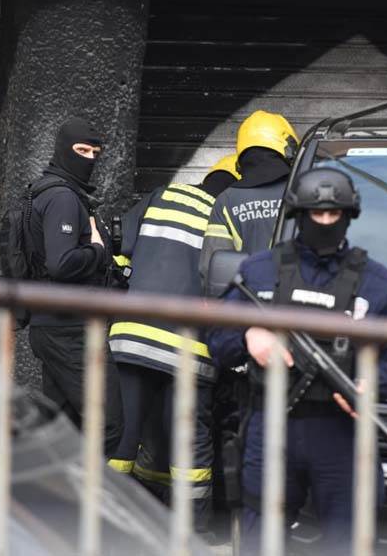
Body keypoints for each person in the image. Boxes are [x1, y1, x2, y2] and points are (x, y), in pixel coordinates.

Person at [206, 167, 387, 555]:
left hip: (341, 432)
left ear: (348, 216)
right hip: (271, 426)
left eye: (333, 214)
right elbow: (217, 339)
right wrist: (248, 337)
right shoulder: (260, 271)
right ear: (299, 215)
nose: (324, 222)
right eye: (315, 214)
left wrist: (372, 384)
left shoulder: (376, 282)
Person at [106, 153, 241, 523]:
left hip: (132, 338)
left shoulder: (161, 195)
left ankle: (108, 523)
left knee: (124, 435)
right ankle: (192, 528)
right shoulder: (225, 215)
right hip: (188, 349)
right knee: (188, 442)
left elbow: (119, 256)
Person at [25, 117, 123, 455]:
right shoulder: (63, 198)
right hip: (70, 330)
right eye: (82, 150)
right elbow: (61, 263)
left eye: (96, 153)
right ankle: (83, 487)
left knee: (62, 429)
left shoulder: (48, 192)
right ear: (63, 149)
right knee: (108, 425)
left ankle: (46, 485)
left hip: (55, 326)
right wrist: (98, 251)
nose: (90, 159)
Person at [198, 111, 299, 286]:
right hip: (301, 298)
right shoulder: (302, 191)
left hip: (248, 300)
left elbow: (212, 269)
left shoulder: (227, 200)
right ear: (288, 149)